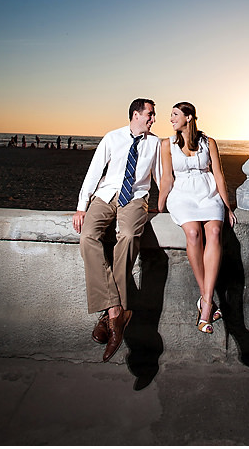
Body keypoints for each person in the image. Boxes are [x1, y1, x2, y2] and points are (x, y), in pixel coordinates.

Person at [72, 98, 161, 362]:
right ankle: (116, 311)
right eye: (150, 114)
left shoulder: (155, 143)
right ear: (136, 114)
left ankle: (110, 314)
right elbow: (94, 172)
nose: (153, 119)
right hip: (105, 196)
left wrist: (169, 206)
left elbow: (159, 177)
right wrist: (81, 206)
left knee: (129, 237)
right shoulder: (112, 138)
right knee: (88, 236)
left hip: (135, 199)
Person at [158, 102, 236, 334]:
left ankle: (205, 304)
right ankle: (208, 301)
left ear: (189, 117)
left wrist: (228, 207)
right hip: (182, 195)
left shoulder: (208, 142)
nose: (171, 119)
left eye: (175, 115)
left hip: (207, 193)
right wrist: (159, 207)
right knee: (193, 233)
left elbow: (219, 176)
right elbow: (166, 180)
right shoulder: (167, 144)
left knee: (213, 232)